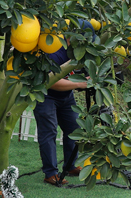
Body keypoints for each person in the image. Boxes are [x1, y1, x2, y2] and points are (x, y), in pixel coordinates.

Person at [35, 43, 91, 186]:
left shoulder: (79, 52)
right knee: (49, 131)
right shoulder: (54, 53)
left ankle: (71, 167)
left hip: (66, 96)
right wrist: (79, 84)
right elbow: (50, 82)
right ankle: (50, 173)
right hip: (46, 95)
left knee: (74, 129)